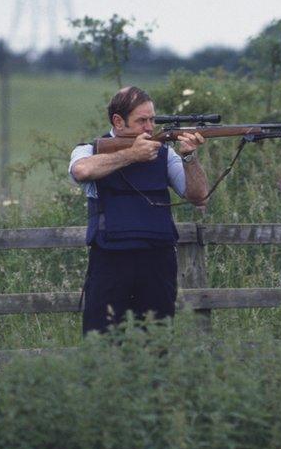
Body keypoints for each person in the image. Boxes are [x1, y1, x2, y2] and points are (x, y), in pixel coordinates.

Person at [69, 86, 209, 334]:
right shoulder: (89, 149)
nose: (149, 127)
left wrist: (189, 158)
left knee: (157, 342)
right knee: (102, 341)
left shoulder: (165, 155)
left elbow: (199, 196)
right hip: (111, 259)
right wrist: (132, 155)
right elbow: (82, 171)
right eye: (142, 120)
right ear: (118, 121)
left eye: (152, 119)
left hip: (157, 261)